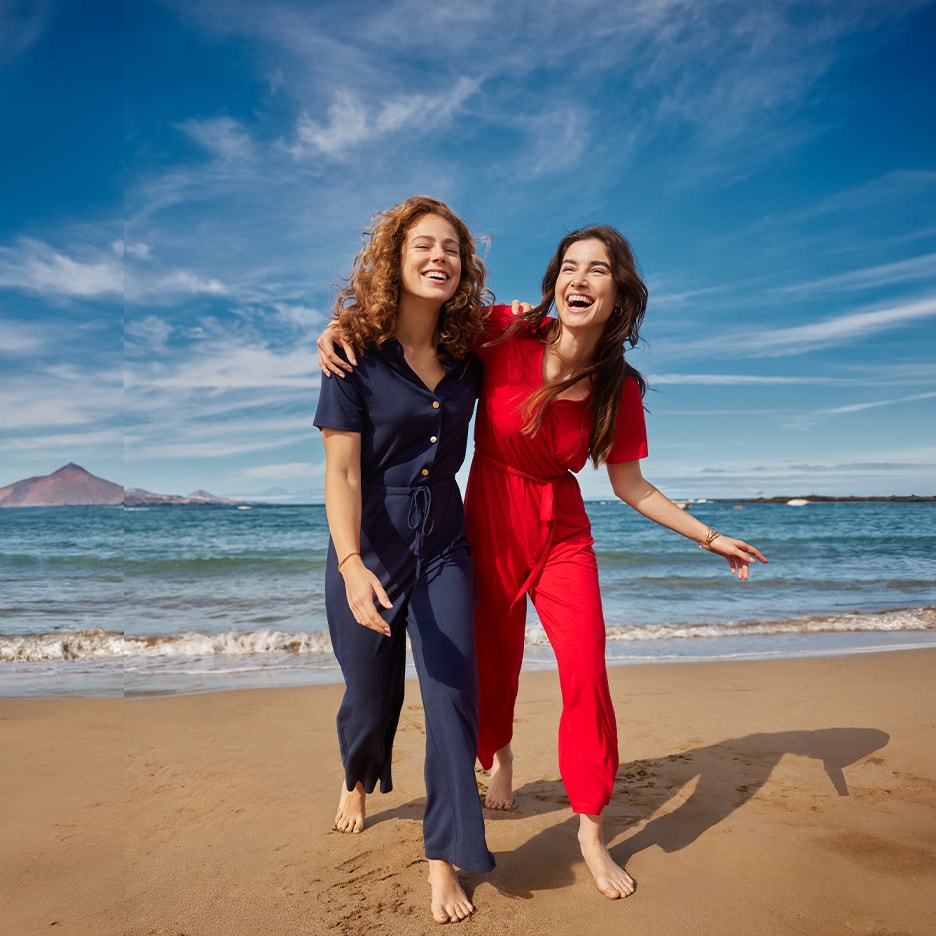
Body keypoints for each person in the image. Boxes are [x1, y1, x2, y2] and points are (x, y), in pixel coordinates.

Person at [318, 223, 767, 902]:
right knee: (490, 668)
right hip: (489, 517)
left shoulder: (618, 386)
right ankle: (495, 756)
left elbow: (631, 484)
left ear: (619, 294)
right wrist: (339, 328)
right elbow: (417, 317)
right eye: (569, 266)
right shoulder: (505, 331)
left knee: (586, 671)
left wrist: (709, 537)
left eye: (598, 270)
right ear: (554, 281)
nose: (579, 279)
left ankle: (591, 828)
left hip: (562, 530)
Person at [313, 195, 495, 924]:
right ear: (394, 258)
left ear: (464, 266)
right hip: (369, 540)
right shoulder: (352, 352)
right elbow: (341, 472)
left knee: (451, 692)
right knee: (368, 691)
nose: (438, 257)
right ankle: (358, 774)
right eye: (423, 245)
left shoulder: (472, 350)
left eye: (451, 248)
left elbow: (548, 326)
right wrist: (352, 564)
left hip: (445, 538)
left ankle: (445, 856)